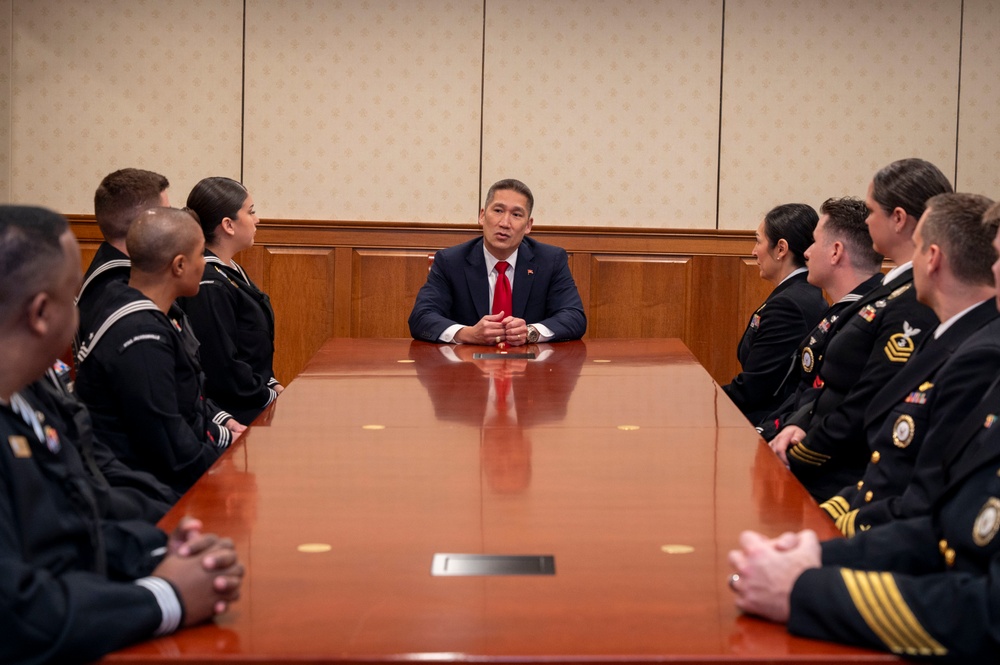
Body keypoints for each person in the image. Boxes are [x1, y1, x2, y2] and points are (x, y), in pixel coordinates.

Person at [0, 205, 242, 663]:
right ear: (40, 313)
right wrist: (165, 596)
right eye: (72, 295)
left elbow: (75, 519)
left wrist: (161, 548)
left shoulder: (27, 396)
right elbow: (18, 615)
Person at [821, 194, 1000, 535]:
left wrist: (833, 531)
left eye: (916, 247)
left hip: (896, 536)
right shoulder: (944, 335)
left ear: (932, 258)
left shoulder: (979, 353)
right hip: (872, 511)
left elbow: (924, 495)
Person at [769, 158, 946, 501]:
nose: (866, 221)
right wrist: (797, 425)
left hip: (844, 472)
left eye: (871, 211)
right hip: (823, 448)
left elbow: (867, 401)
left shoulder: (914, 298)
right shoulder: (890, 288)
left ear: (897, 218)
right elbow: (828, 386)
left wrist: (798, 457)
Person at [75, 207, 245, 498]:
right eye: (201, 255)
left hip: (162, 475)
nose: (204, 264)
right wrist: (229, 472)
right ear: (179, 266)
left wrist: (225, 434)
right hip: (143, 493)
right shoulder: (141, 336)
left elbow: (187, 409)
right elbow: (170, 448)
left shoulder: (151, 311)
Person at [758, 197, 884, 440]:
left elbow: (833, 410)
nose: (806, 252)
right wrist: (766, 429)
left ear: (836, 252)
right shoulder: (843, 309)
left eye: (814, 242)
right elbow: (804, 396)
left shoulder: (868, 320)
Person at [408, 178, 586, 346]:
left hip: (530, 369)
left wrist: (530, 332)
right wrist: (468, 334)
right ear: (482, 216)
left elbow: (574, 316)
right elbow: (421, 317)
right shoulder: (451, 261)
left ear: (528, 225)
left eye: (516, 214)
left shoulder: (550, 260)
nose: (505, 223)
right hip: (468, 368)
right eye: (498, 211)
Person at [178, 177, 282, 424]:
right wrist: (269, 396)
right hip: (232, 412)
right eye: (251, 212)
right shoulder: (209, 284)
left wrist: (272, 384)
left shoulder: (229, 269)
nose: (257, 219)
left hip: (252, 396)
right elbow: (222, 369)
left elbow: (252, 350)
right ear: (228, 225)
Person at [722, 203, 828, 425]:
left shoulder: (789, 305)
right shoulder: (799, 293)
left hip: (769, 423)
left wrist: (704, 399)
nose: (753, 251)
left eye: (758, 241)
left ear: (781, 249)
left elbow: (756, 389)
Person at [77, 168, 170, 350]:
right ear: (143, 226)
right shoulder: (121, 291)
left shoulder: (117, 270)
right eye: (166, 215)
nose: (173, 223)